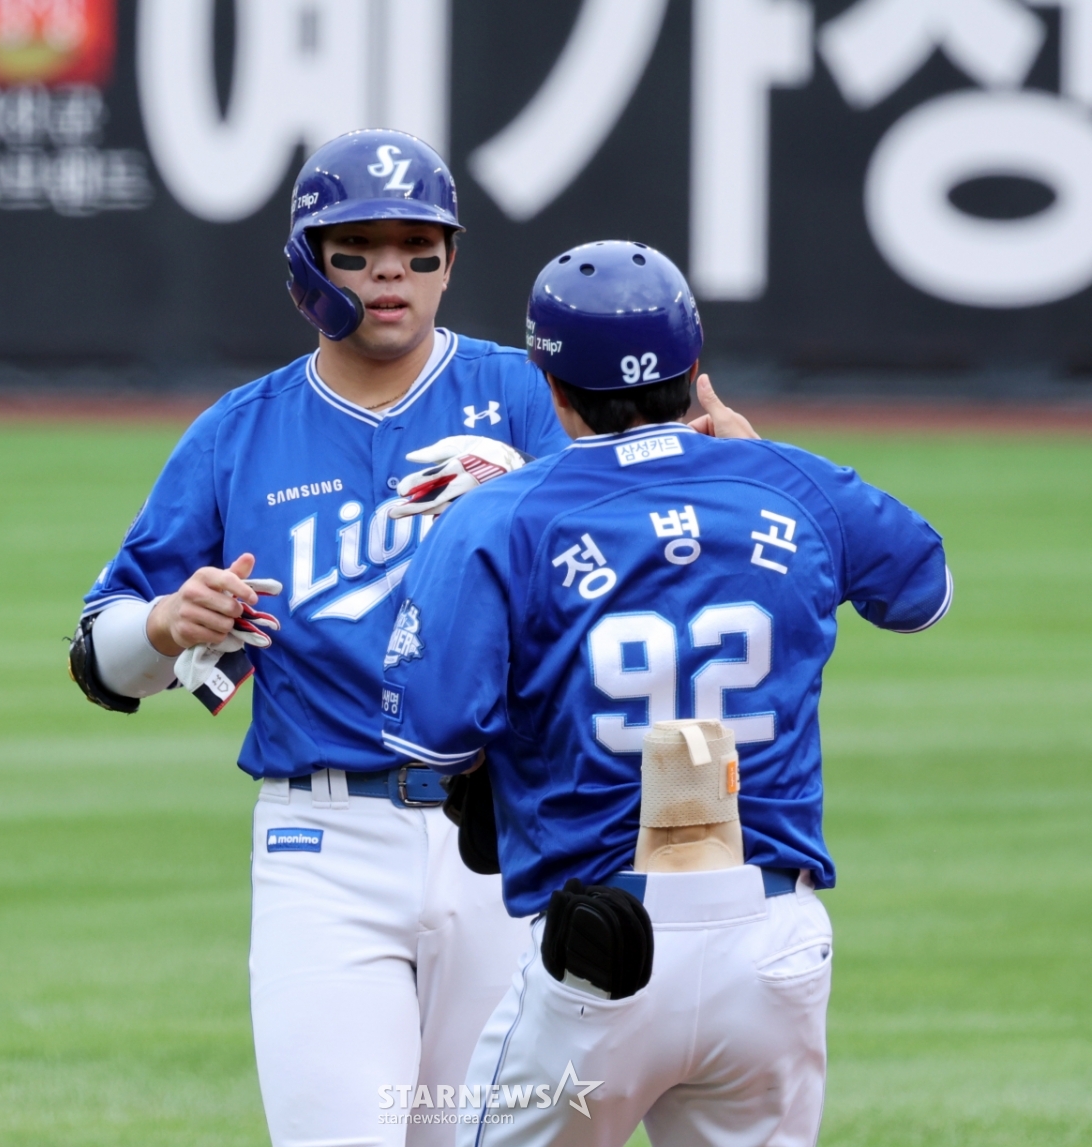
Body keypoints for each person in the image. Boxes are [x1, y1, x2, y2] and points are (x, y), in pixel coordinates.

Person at [66, 130, 756, 1147]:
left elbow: (669, 559)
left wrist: (730, 475)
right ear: (309, 265)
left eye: (417, 248)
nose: (391, 271)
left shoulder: (530, 395)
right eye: (359, 248)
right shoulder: (239, 433)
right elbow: (99, 658)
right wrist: (168, 623)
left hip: (510, 838)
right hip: (322, 842)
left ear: (449, 261)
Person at [380, 241, 953, 1146]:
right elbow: (923, 591)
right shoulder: (793, 484)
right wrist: (766, 468)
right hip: (775, 940)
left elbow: (432, 735)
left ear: (551, 385)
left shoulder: (501, 515)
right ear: (694, 370)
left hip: (600, 949)